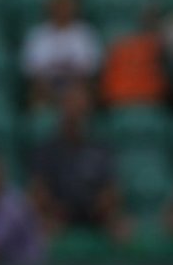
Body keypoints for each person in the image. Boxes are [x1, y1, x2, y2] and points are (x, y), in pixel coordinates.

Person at [29, 86, 129, 244]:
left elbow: (112, 189)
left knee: (122, 230)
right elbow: (39, 190)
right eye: (71, 107)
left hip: (95, 215)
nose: (75, 114)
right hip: (59, 215)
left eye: (80, 109)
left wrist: (104, 203)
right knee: (40, 229)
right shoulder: (47, 150)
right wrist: (53, 209)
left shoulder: (99, 149)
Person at [22, 0, 102, 109]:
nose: (62, 10)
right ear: (50, 7)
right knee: (37, 93)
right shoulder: (38, 34)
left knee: (81, 94)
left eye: (66, 6)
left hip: (76, 85)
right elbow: (32, 69)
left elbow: (90, 68)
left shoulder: (84, 33)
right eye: (59, 5)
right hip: (47, 86)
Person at [100, 2, 168, 108]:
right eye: (147, 18)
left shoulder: (160, 45)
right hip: (119, 99)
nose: (149, 21)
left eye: (153, 18)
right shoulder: (121, 45)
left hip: (151, 100)